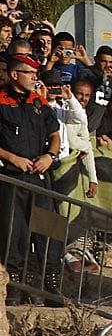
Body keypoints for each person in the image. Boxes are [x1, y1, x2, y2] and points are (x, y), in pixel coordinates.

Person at [0, 54, 63, 305]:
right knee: (13, 233)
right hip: (12, 178)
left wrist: (50, 155)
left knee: (49, 231)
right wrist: (12, 158)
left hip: (41, 177)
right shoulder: (1, 101)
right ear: (15, 75)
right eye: (30, 73)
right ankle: (15, 287)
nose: (35, 78)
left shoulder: (40, 102)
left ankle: (52, 286)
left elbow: (55, 134)